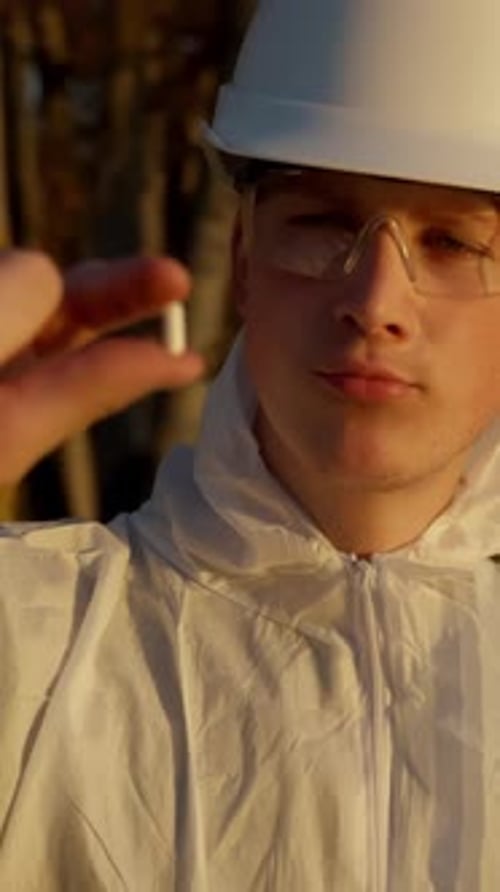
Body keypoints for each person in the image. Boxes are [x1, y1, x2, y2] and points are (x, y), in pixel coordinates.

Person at [1, 0, 500, 888]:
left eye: (452, 241)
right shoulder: (34, 640)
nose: (376, 300)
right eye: (322, 226)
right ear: (241, 258)